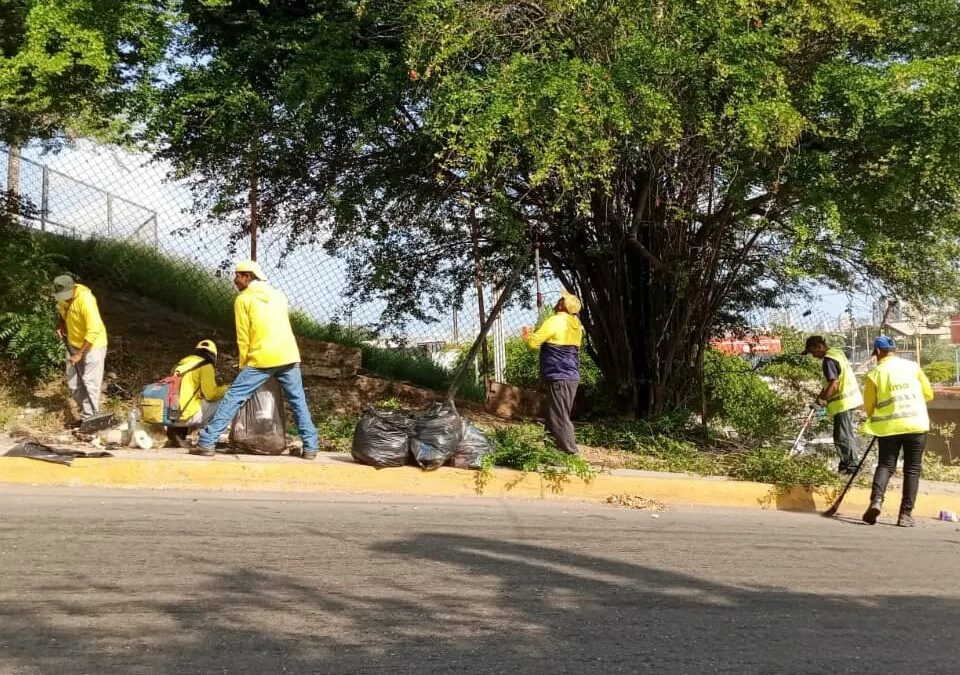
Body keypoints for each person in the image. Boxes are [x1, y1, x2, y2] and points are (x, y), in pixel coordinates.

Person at [194, 260, 319, 458]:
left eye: (237, 276)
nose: (235, 280)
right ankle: (311, 447)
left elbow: (243, 336)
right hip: (289, 354)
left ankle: (207, 441)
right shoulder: (279, 296)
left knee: (234, 396)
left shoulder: (243, 299)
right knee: (298, 400)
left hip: (262, 356)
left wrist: (244, 364)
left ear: (248, 276)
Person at [861, 336, 934, 527]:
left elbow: (869, 405)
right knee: (912, 469)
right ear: (894, 349)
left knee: (885, 465)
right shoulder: (912, 367)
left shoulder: (875, 373)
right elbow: (928, 394)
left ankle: (876, 500)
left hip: (889, 427)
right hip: (916, 424)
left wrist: (874, 418)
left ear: (877, 352)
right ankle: (905, 515)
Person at [521, 289, 583, 455]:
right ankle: (552, 452)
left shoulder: (555, 321)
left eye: (560, 300)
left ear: (562, 305)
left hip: (559, 375)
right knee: (554, 413)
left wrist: (527, 335)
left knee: (559, 416)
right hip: (570, 376)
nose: (557, 301)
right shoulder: (576, 325)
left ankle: (570, 454)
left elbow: (534, 344)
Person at [801, 335, 863, 474]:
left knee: (843, 436)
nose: (813, 355)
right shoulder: (836, 353)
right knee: (840, 435)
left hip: (844, 403)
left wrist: (821, 400)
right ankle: (845, 464)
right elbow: (830, 383)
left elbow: (834, 385)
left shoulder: (828, 360)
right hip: (849, 401)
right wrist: (819, 397)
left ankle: (852, 467)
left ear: (819, 346)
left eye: (812, 352)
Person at [53, 274, 108, 428]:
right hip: (73, 343)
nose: (66, 299)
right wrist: (61, 324)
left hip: (94, 345)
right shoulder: (63, 299)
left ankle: (91, 420)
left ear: (74, 288)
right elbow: (64, 314)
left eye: (67, 295)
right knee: (73, 383)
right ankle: (87, 416)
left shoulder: (86, 300)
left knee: (90, 383)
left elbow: (94, 329)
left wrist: (80, 354)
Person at [165, 340, 228, 447]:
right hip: (187, 416)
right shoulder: (205, 365)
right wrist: (227, 388)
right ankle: (210, 436)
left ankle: (178, 433)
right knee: (227, 399)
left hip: (170, 415)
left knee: (195, 401)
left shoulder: (182, 364)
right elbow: (211, 394)